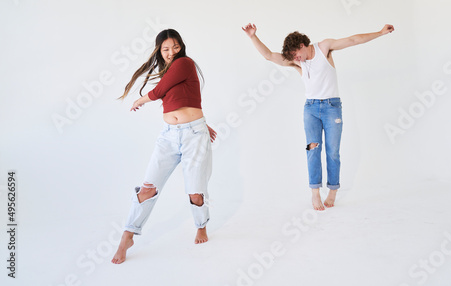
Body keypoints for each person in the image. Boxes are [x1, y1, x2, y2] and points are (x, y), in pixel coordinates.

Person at [242, 23, 394, 210]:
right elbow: (269, 56)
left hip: (332, 108)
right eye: (292, 57)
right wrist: (253, 37)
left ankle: (332, 190)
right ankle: (315, 193)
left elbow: (353, 40)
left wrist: (380, 33)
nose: (295, 58)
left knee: (333, 152)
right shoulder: (297, 62)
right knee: (312, 150)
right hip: (311, 109)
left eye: (296, 54)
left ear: (302, 45)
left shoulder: (324, 48)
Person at [111, 29, 217, 264]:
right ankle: (127, 236)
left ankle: (201, 225)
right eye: (166, 49)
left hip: (193, 134)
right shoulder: (168, 71)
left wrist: (139, 100)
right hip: (169, 136)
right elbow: (186, 97)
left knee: (195, 191)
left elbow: (159, 93)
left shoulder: (185, 63)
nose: (171, 53)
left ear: (182, 47)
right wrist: (203, 122)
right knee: (147, 188)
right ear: (159, 50)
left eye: (175, 47)